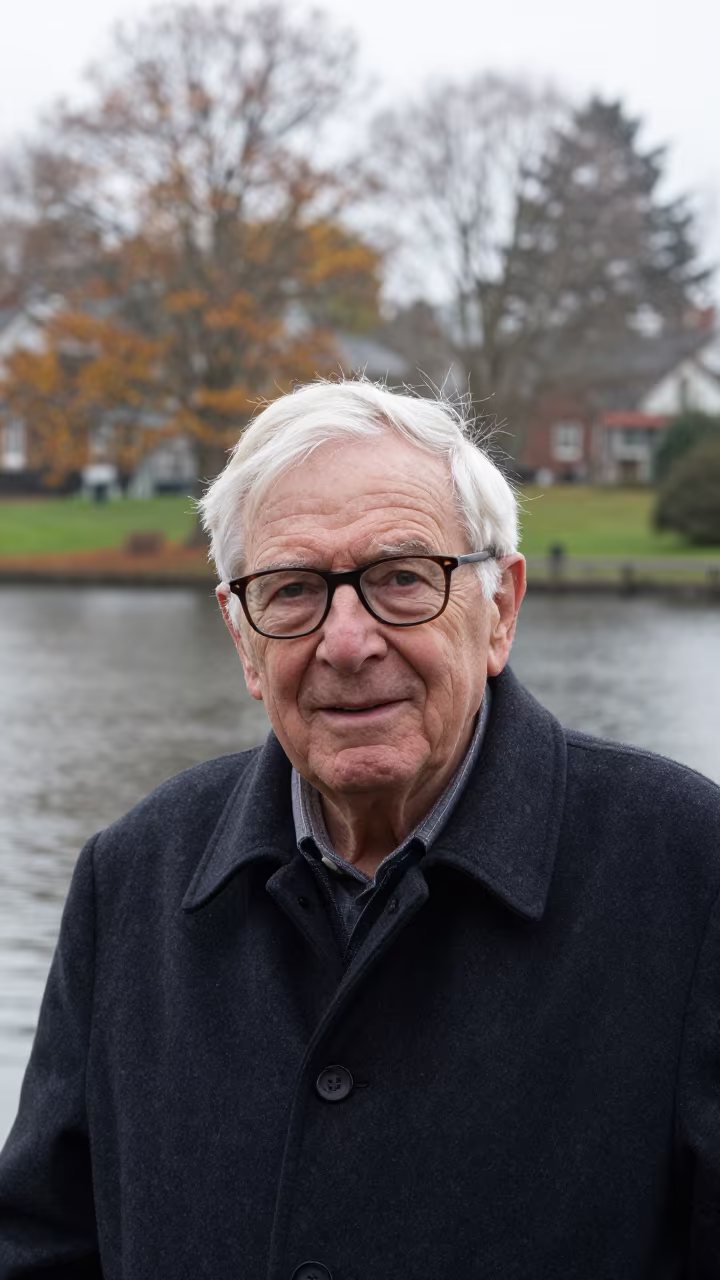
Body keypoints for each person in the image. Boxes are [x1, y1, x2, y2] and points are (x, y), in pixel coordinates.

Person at [0, 379, 719, 1280]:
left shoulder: (688, 872)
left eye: (402, 578)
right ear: (243, 639)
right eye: (293, 590)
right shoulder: (133, 877)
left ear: (500, 611)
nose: (347, 642)